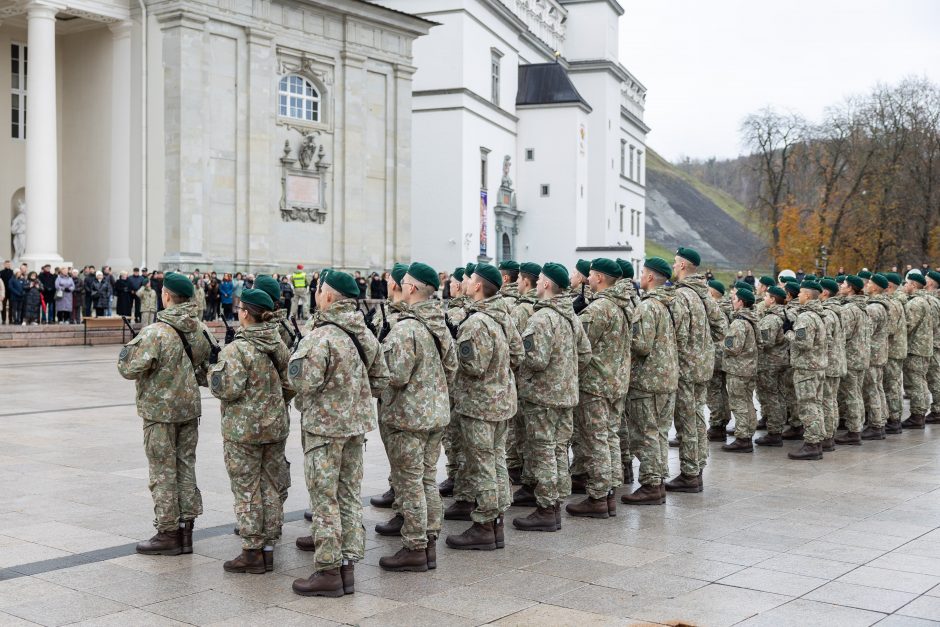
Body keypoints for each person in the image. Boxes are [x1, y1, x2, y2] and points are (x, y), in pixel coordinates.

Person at [289, 270, 389, 597]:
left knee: (324, 498)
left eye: (319, 290)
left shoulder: (321, 337)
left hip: (324, 430)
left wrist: (312, 401)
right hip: (355, 429)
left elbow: (300, 382)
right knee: (347, 494)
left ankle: (329, 569)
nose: (317, 294)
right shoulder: (365, 334)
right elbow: (381, 381)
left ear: (329, 296)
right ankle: (347, 565)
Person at [117, 272, 216, 556]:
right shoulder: (201, 329)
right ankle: (186, 530)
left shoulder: (155, 332)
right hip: (188, 410)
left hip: (160, 413)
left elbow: (127, 368)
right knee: (186, 465)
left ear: (167, 296)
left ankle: (167, 531)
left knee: (162, 470)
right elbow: (204, 364)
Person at [376, 262, 456, 572]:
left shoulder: (406, 328)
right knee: (426, 479)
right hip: (436, 413)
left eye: (402, 283)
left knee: (409, 482)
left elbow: (395, 376)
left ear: (411, 288)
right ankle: (429, 539)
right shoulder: (439, 322)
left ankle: (415, 546)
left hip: (410, 417)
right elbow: (451, 367)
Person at [209, 287, 293, 574]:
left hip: (243, 432)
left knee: (246, 489)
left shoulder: (237, 349)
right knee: (270, 486)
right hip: (275, 427)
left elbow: (227, 389)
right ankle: (268, 546)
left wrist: (213, 372)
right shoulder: (279, 344)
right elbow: (291, 383)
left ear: (245, 313)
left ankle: (251, 550)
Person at [445, 263, 522, 551]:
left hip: (480, 404)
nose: (464, 284)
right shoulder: (502, 315)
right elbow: (518, 353)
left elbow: (472, 366)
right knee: (496, 459)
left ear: (478, 286)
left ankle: (485, 524)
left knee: (483, 465)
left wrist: (454, 353)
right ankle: (497, 518)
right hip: (502, 400)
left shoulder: (476, 322)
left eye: (469, 280)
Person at [512, 263, 590, 531]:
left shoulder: (542, 318)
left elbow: (535, 360)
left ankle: (546, 508)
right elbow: (585, 354)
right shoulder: (571, 316)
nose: (535, 284)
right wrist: (566, 373)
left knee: (543, 450)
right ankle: (555, 501)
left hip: (543, 396)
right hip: (566, 395)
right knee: (558, 449)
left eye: (539, 280)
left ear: (546, 284)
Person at [568, 258, 632, 519]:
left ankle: (598, 496)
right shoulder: (622, 305)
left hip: (597, 384)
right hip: (616, 382)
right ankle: (609, 492)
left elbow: (580, 343)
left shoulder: (599, 309)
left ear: (601, 279)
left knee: (596, 440)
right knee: (609, 437)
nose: (588, 279)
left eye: (592, 275)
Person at [669, 247, 726, 493]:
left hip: (686, 367)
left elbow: (676, 334)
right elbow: (721, 327)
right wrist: (703, 346)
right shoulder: (704, 293)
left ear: (682, 265)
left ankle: (690, 474)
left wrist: (689, 348)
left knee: (687, 421)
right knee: (697, 418)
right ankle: (698, 466)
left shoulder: (682, 295)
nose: (672, 267)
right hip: (702, 365)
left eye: (674, 263)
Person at [621, 257, 678, 506]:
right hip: (665, 379)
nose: (640, 276)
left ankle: (651, 484)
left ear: (651, 277)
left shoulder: (647, 307)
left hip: (648, 381)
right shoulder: (665, 304)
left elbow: (641, 345)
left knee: (646, 434)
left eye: (643, 272)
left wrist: (623, 341)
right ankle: (658, 481)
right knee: (659, 433)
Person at [505, 263, 540, 488]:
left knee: (524, 434)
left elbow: (513, 349)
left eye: (520, 280)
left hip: (524, 380)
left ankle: (527, 479)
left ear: (526, 282)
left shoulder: (520, 310)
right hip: (541, 383)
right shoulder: (542, 305)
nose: (517, 283)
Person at [785, 280, 829, 460]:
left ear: (808, 296)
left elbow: (803, 343)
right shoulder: (818, 314)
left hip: (806, 368)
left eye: (801, 293)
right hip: (817, 367)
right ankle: (816, 441)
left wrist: (788, 332)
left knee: (807, 406)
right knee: (816, 404)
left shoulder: (805, 317)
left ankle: (812, 444)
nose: (798, 296)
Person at [720, 287, 759, 451]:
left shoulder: (739, 323)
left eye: (735, 299)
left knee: (738, 403)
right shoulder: (752, 320)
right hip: (749, 367)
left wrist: (722, 342)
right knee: (747, 401)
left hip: (738, 369)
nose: (732, 302)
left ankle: (742, 438)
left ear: (741, 302)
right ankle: (748, 432)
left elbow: (732, 347)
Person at [834, 276, 871, 445]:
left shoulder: (850, 309)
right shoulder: (862, 306)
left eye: (843, 284)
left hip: (851, 356)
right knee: (856, 393)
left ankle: (854, 431)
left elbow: (844, 333)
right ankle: (856, 427)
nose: (841, 286)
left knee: (852, 394)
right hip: (861, 355)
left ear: (850, 289)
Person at [754, 286, 791, 447]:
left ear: (773, 299)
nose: (764, 299)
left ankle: (774, 431)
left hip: (770, 363)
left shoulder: (770, 319)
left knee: (771, 397)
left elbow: (765, 342)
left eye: (766, 297)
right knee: (779, 395)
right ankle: (778, 427)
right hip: (782, 360)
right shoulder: (787, 313)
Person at [901, 271, 934, 428]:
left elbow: (906, 325)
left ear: (913, 285)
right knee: (919, 381)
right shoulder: (925, 300)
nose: (905, 286)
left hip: (916, 348)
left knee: (915, 382)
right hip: (922, 347)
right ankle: (919, 413)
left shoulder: (915, 303)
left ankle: (917, 415)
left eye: (907, 283)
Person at [861, 274, 891, 439]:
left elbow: (867, 333)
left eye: (870, 283)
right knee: (877, 388)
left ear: (875, 287)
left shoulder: (874, 308)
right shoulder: (881, 304)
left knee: (872, 389)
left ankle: (876, 426)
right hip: (878, 354)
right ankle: (880, 421)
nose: (867, 285)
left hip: (872, 354)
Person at [818, 279, 847, 450]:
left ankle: (828, 436)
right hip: (836, 361)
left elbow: (825, 340)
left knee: (827, 400)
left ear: (825, 293)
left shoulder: (828, 313)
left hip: (830, 362)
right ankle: (830, 434)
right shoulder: (839, 309)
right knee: (831, 400)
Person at [705, 281, 732, 437]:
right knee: (721, 390)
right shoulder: (727, 308)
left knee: (714, 390)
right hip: (724, 354)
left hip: (716, 354)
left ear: (712, 294)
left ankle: (717, 424)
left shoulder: (715, 309)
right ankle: (722, 419)